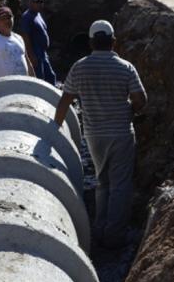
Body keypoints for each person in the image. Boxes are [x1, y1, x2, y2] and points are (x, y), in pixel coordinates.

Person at [54, 20, 147, 249]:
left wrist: (54, 128)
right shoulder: (125, 67)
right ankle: (114, 236)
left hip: (94, 135)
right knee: (120, 185)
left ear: (91, 42)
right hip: (121, 133)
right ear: (114, 41)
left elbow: (66, 99)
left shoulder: (79, 67)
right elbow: (141, 100)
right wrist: (128, 110)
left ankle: (99, 229)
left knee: (102, 182)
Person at [0, 7, 35, 83]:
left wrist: (35, 82)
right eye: (3, 18)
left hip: (24, 86)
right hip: (4, 89)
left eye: (9, 17)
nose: (7, 20)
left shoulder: (19, 38)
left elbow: (28, 62)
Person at [20, 0, 56, 85]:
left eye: (41, 1)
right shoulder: (27, 17)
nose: (40, 4)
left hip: (43, 53)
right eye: (37, 2)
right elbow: (25, 37)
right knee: (40, 80)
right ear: (31, 3)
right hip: (35, 54)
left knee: (51, 76)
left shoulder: (38, 14)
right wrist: (31, 55)